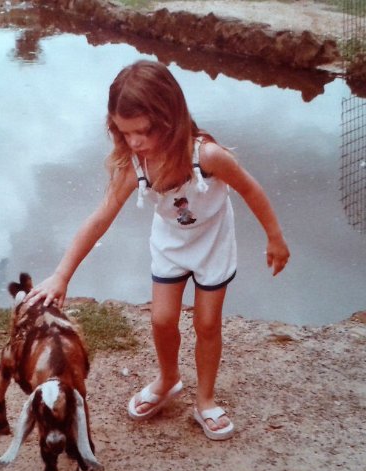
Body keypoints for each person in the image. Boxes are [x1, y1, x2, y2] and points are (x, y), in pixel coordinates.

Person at [24, 60, 290, 440]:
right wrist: (62, 273)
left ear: (171, 117)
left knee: (207, 323)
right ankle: (168, 379)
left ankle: (206, 400)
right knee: (163, 319)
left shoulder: (208, 156)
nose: (134, 142)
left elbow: (250, 189)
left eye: (143, 131)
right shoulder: (135, 166)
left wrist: (275, 237)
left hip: (213, 241)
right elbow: (100, 219)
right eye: (124, 132)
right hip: (171, 243)